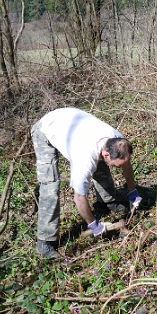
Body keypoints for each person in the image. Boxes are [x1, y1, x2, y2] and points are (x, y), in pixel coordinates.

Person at [31, 107, 142, 258]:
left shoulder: (119, 141)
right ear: (106, 153)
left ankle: (107, 203)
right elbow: (78, 197)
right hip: (46, 129)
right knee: (51, 185)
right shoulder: (84, 158)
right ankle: (45, 242)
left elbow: (126, 165)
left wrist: (132, 191)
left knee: (101, 165)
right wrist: (94, 225)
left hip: (71, 121)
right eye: (117, 165)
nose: (119, 168)